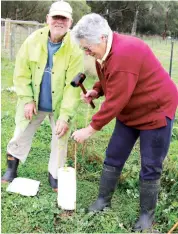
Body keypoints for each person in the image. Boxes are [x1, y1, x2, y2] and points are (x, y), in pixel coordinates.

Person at [71, 13, 178, 231]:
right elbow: (108, 78)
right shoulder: (105, 51)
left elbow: (116, 101)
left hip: (155, 111)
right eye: (84, 48)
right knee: (114, 154)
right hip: (130, 110)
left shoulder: (125, 53)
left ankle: (147, 217)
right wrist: (97, 90)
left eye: (87, 47)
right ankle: (102, 200)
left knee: (150, 165)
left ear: (101, 38)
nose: (86, 52)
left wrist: (90, 129)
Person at [2, 1, 84, 192]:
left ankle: (54, 175)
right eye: (56, 17)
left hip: (60, 104)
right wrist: (28, 99)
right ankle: (11, 170)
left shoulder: (75, 48)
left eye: (63, 18)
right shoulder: (32, 41)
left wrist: (64, 117)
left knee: (60, 138)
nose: (59, 22)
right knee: (21, 132)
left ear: (70, 22)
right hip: (35, 101)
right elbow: (21, 73)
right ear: (47, 19)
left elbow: (73, 87)